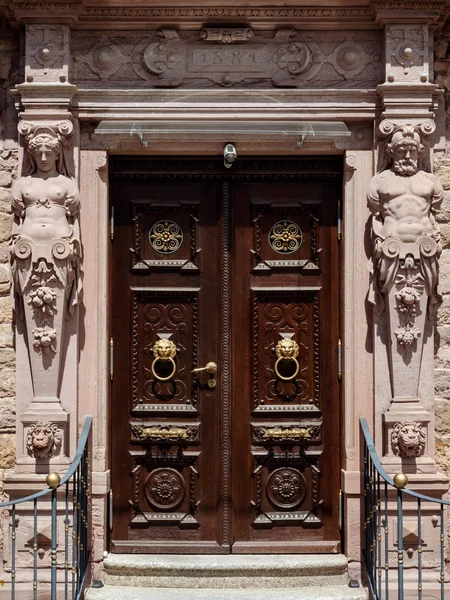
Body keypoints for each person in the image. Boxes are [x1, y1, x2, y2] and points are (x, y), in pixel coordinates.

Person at [367, 126, 443, 315]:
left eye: (412, 151)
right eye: (401, 151)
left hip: (425, 249)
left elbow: (434, 211)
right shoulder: (379, 181)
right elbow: (376, 212)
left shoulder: (431, 181)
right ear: (391, 152)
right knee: (389, 296)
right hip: (390, 247)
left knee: (423, 300)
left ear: (420, 152)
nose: (408, 156)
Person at [10, 126, 82, 315]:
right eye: (38, 154)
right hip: (27, 247)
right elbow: (19, 211)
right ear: (32, 155)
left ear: (57, 155)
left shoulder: (67, 185)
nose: (43, 159)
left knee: (55, 304)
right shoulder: (22, 184)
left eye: (48, 153)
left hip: (61, 246)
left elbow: (72, 211)